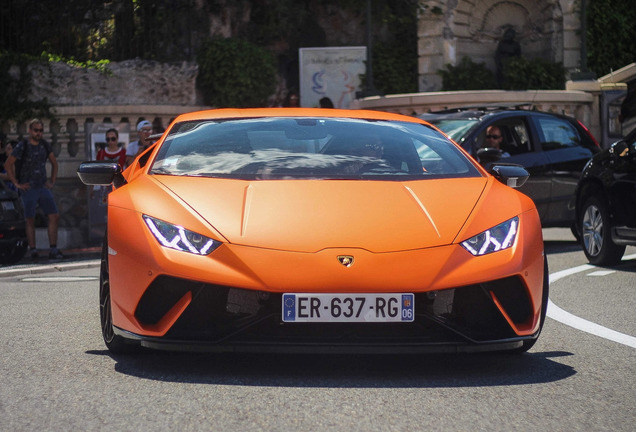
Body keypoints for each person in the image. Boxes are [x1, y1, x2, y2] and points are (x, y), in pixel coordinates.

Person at [3, 119, 64, 260]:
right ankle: (33, 250)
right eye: (36, 130)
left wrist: (52, 180)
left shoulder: (44, 145)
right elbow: (8, 164)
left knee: (54, 215)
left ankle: (53, 248)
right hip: (28, 187)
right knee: (29, 219)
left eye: (41, 130)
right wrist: (16, 183)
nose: (39, 133)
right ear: (30, 131)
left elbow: (54, 162)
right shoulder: (23, 145)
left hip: (42, 186)